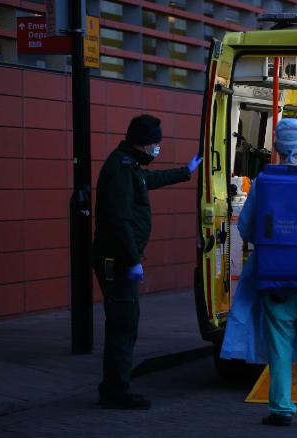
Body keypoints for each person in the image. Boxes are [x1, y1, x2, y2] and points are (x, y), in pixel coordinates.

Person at [220, 118, 297, 427]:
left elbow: (248, 228)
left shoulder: (263, 182)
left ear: (275, 147)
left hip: (272, 278)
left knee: (279, 346)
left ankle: (280, 408)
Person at [93, 114, 203, 410]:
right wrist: (132, 261)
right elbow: (120, 220)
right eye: (156, 144)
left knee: (126, 322)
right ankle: (116, 391)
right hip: (117, 260)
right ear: (143, 144)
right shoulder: (120, 168)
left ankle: (115, 386)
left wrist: (185, 171)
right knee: (123, 324)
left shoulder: (129, 166)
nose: (157, 149)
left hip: (120, 258)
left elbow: (150, 180)